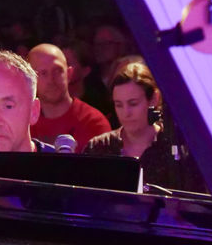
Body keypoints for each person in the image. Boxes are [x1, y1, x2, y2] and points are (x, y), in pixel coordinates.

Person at [83, 61, 203, 191]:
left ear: (154, 99)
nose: (126, 113)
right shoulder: (99, 147)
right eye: (118, 105)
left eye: (133, 103)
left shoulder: (176, 148)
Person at [28, 43, 110, 150]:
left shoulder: (93, 123)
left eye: (57, 71)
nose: (51, 80)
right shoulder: (23, 124)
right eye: (43, 73)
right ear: (30, 79)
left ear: (69, 73)